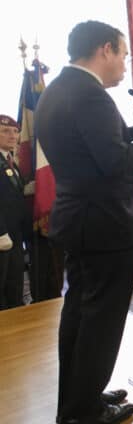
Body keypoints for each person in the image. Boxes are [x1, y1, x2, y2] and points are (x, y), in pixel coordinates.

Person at [35, 20, 133, 424]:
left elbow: (100, 139)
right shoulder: (91, 96)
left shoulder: (60, 90)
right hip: (104, 223)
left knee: (79, 315)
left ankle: (79, 397)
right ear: (104, 50)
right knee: (101, 321)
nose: (126, 64)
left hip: (78, 221)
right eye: (124, 54)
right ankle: (85, 411)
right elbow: (115, 161)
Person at [0, 115, 28, 310]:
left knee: (14, 286)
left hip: (15, 235)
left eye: (16, 131)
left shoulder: (11, 162)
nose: (12, 135)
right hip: (2, 237)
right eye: (5, 131)